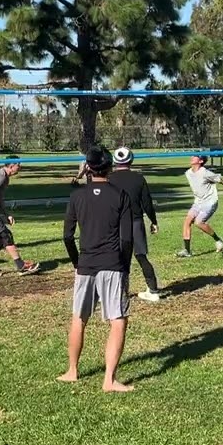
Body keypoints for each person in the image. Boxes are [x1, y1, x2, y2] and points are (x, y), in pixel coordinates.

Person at [59, 147, 135, 392]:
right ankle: (109, 380)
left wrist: (77, 262)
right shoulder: (121, 195)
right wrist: (124, 264)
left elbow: (68, 237)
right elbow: (126, 239)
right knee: (117, 320)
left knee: (79, 318)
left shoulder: (77, 197)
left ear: (87, 168)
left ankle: (72, 370)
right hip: (113, 264)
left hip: (86, 265)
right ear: (110, 168)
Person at [108, 146, 161, 302]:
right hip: (135, 222)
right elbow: (147, 203)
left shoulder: (108, 178)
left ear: (115, 161)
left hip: (115, 223)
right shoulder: (139, 178)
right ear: (131, 160)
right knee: (141, 256)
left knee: (116, 258)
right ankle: (152, 290)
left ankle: (120, 292)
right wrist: (153, 220)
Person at [176, 153, 223, 257]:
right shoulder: (188, 173)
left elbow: (222, 181)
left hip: (209, 202)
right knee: (187, 221)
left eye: (195, 156)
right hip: (198, 202)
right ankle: (187, 251)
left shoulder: (206, 173)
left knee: (199, 222)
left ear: (201, 161)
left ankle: (219, 240)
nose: (192, 157)